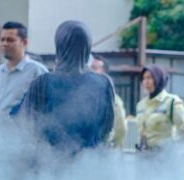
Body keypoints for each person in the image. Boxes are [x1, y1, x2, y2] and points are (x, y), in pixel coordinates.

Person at [20, 21, 114, 156]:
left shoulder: (42, 83)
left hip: (49, 164)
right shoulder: (103, 83)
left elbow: (27, 126)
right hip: (90, 164)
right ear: (87, 47)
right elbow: (107, 129)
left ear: (59, 45)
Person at [0, 21, 48, 132]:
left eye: (10, 40)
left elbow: (46, 108)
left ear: (24, 42)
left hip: (25, 140)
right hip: (0, 139)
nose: (4, 44)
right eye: (2, 40)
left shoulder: (37, 71)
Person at [134, 65, 184, 151]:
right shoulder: (140, 105)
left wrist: (169, 149)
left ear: (158, 79)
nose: (146, 82)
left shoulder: (172, 102)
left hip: (164, 159)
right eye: (144, 78)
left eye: (150, 78)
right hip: (144, 157)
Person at [90, 56, 127, 149]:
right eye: (90, 68)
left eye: (95, 68)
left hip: (103, 150)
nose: (91, 71)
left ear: (104, 72)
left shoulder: (113, 99)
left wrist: (112, 148)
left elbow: (121, 129)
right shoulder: (87, 97)